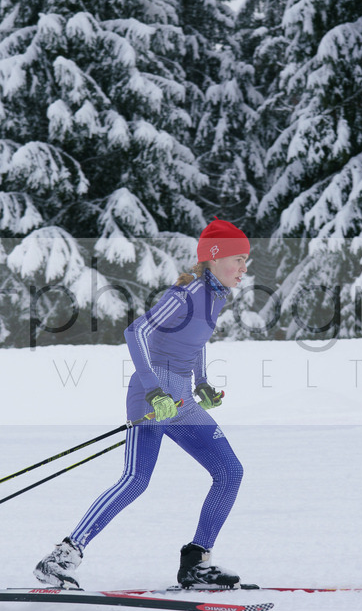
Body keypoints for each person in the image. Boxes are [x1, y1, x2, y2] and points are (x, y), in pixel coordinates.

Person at [34, 218, 250, 590]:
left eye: (247, 260)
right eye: (237, 259)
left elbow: (194, 343)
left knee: (230, 472)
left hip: (180, 399)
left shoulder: (216, 297)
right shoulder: (184, 294)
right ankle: (61, 558)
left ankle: (197, 564)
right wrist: (153, 390)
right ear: (213, 259)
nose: (244, 268)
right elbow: (136, 332)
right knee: (136, 480)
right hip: (152, 397)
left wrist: (201, 383)